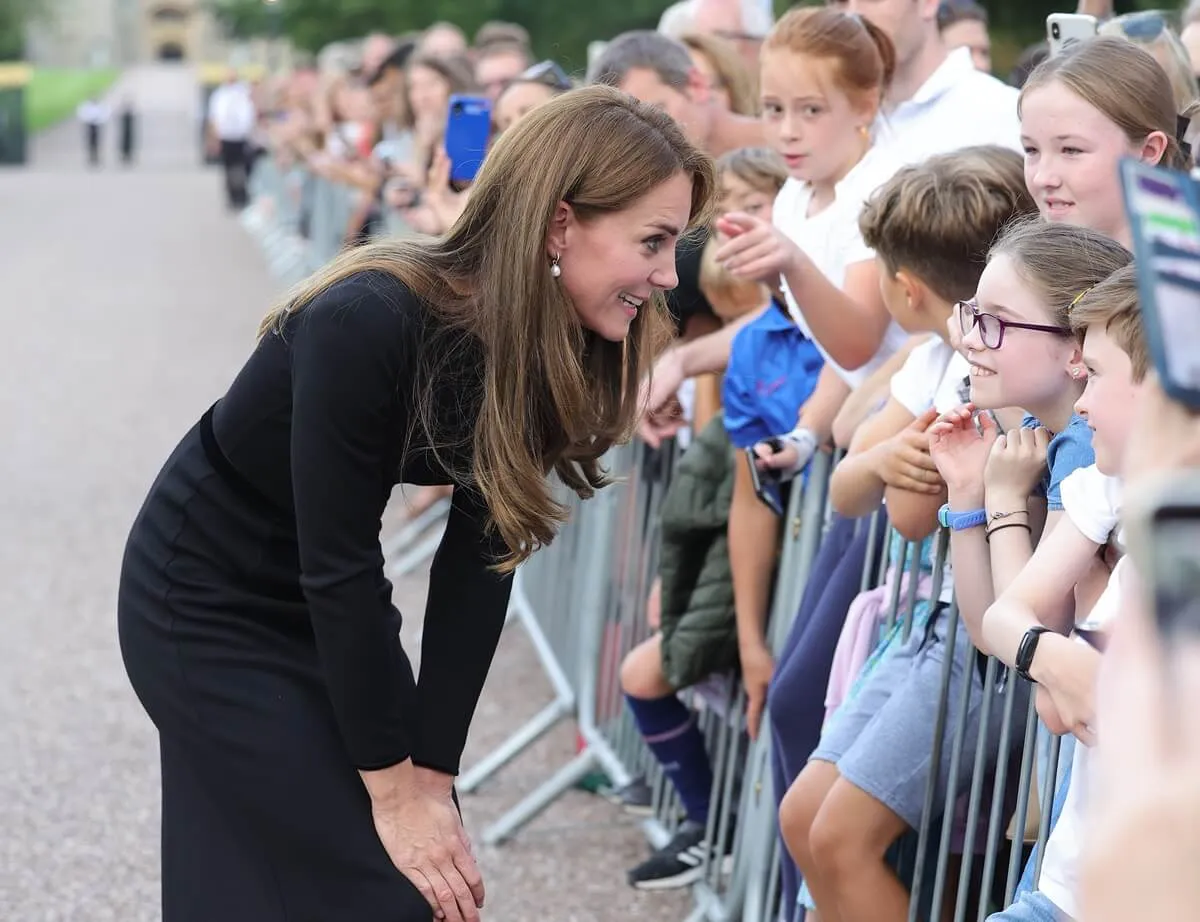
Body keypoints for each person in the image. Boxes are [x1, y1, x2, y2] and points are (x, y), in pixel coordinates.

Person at [116, 86, 715, 922]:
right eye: (652, 241)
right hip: (204, 599)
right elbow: (341, 566)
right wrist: (395, 792)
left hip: (323, 598)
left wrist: (432, 770)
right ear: (559, 224)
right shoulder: (366, 318)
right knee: (386, 885)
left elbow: (482, 562)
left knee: (369, 880)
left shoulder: (551, 342)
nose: (667, 274)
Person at [206, 70, 257, 211]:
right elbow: (214, 117)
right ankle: (232, 196)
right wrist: (213, 138)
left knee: (244, 166)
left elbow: (250, 112)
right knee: (229, 168)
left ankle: (243, 194)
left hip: (242, 135)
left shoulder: (243, 92)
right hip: (226, 135)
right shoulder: (219, 94)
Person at [77, 97, 108, 168]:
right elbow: (83, 115)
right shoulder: (86, 106)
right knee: (90, 142)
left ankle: (96, 156)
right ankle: (91, 156)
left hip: (97, 125)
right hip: (90, 125)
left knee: (97, 142)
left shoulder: (100, 106)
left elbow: (104, 115)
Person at [117, 97, 138, 166]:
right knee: (124, 143)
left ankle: (129, 156)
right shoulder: (123, 113)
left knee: (130, 143)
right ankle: (124, 156)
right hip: (124, 131)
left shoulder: (131, 113)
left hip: (129, 131)